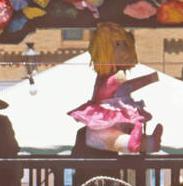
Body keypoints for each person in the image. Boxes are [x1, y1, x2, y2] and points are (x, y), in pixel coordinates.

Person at [68, 22, 162, 154]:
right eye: (118, 44)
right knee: (110, 138)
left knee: (118, 136)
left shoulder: (120, 77)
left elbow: (129, 86)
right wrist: (115, 80)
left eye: (125, 45)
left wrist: (148, 79)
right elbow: (103, 91)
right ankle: (131, 143)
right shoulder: (105, 77)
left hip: (119, 120)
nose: (123, 50)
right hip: (103, 123)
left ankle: (150, 143)